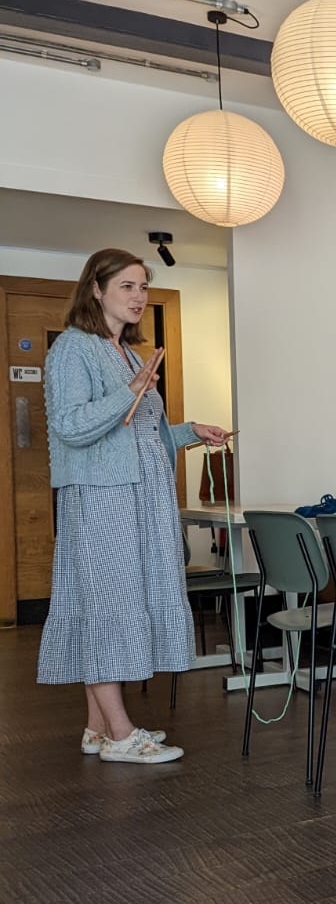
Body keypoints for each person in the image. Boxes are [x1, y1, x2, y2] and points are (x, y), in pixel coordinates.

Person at [37, 249, 233, 763]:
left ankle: (98, 729)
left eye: (143, 287)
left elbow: (137, 435)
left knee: (116, 603)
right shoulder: (74, 351)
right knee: (105, 606)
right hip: (103, 499)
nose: (139, 297)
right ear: (96, 290)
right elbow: (72, 426)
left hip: (138, 496)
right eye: (127, 286)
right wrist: (131, 389)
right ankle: (122, 736)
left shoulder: (122, 351)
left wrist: (191, 432)